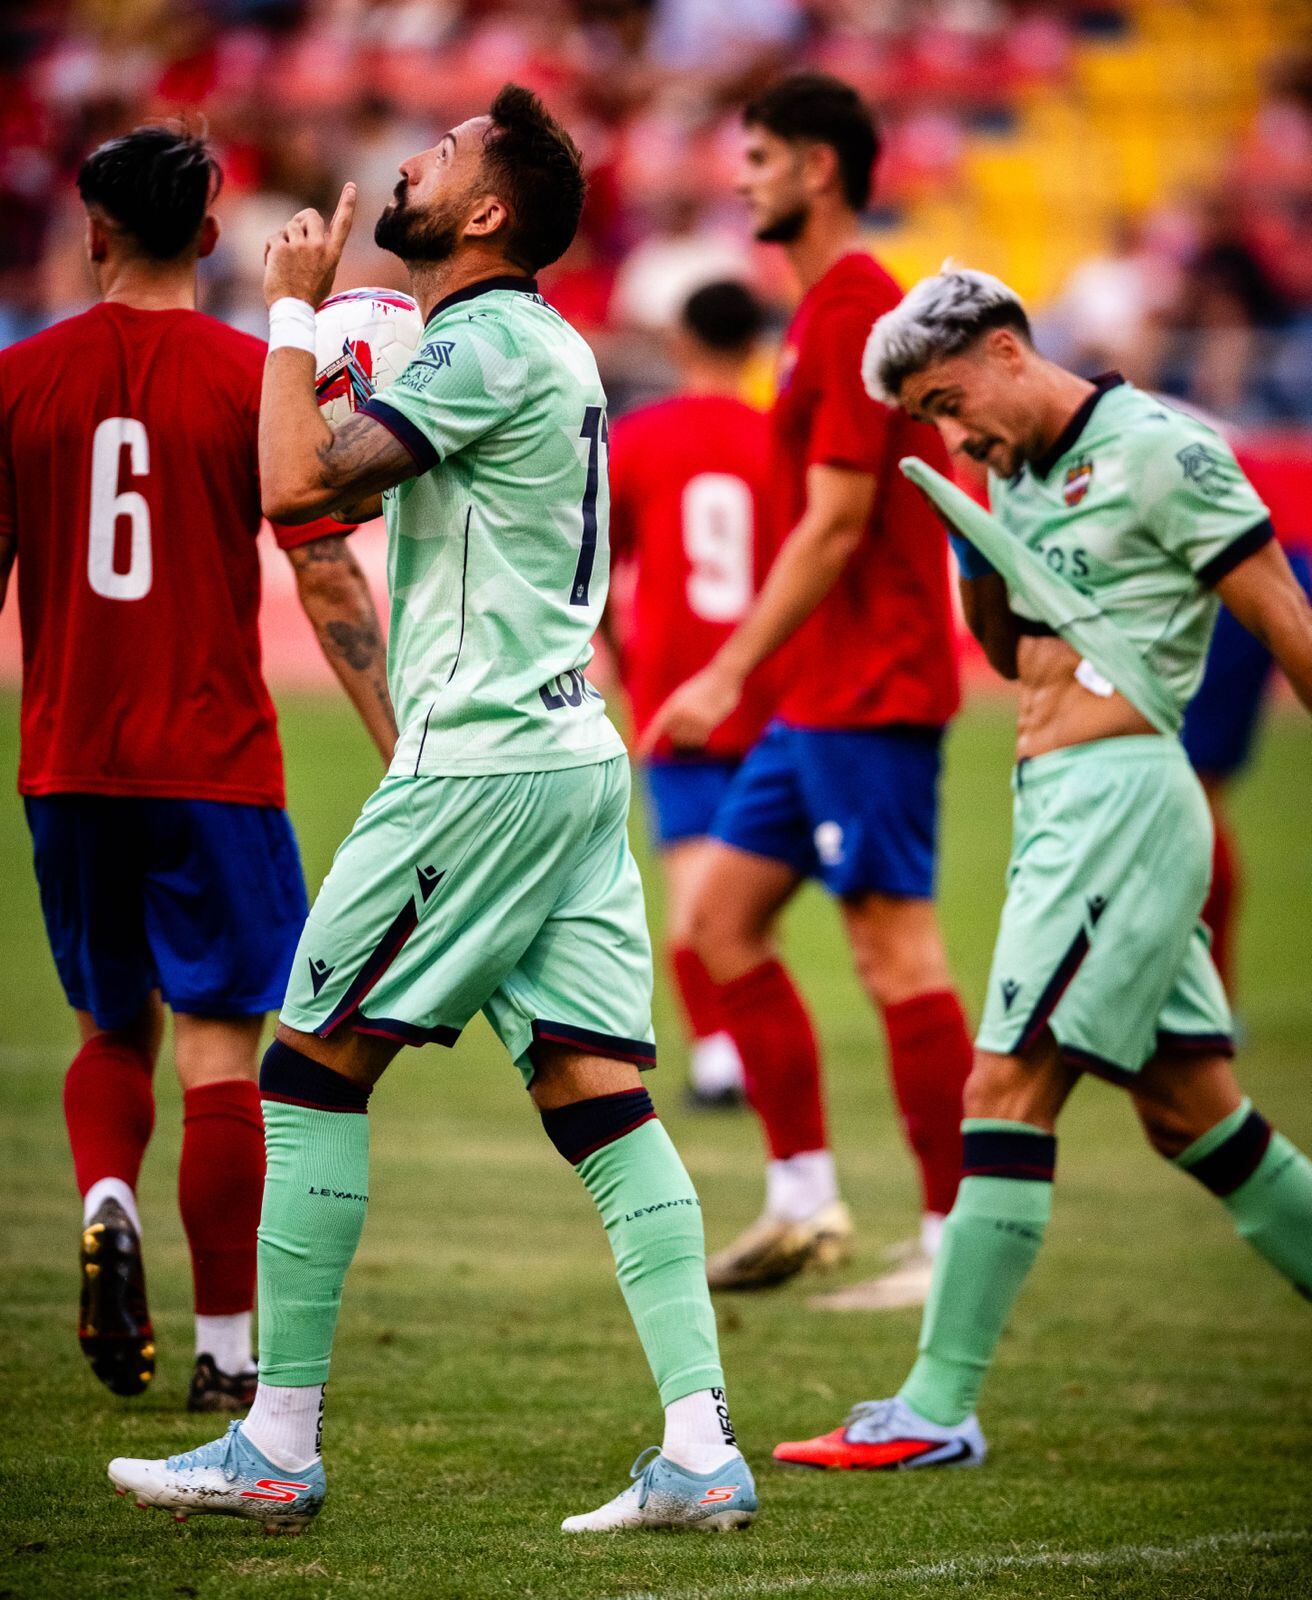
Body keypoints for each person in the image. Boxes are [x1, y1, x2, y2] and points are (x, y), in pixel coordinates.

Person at [106, 85, 756, 1536]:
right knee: (599, 1096)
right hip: (569, 754)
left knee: (307, 1070)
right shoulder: (533, 346)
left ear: (488, 213)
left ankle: (277, 1444)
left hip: (479, 764)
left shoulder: (485, 342)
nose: (411, 161)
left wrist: (292, 313)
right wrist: (349, 361)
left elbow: (295, 487)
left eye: (444, 155)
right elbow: (349, 485)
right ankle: (700, 1444)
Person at [774, 266, 1312, 1471]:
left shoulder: (1162, 451)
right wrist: (974, 532)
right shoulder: (1008, 472)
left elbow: (1282, 613)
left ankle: (934, 1407)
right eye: (927, 418)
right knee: (1191, 1114)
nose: (952, 432)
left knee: (1003, 1087)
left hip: (1120, 805)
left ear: (1008, 349)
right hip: (1061, 800)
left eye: (949, 401)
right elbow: (1010, 656)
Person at [0, 126, 395, 1413]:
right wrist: (398, 744)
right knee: (221, 1048)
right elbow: (325, 573)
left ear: (92, 231)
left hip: (70, 761)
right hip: (214, 763)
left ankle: (106, 1193)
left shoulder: (19, 380)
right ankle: (225, 1350)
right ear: (212, 238)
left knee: (110, 1026)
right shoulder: (248, 379)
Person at [643, 74, 972, 1306]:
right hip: (816, 691)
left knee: (896, 953)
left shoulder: (852, 312)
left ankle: (949, 1241)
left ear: (819, 167)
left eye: (760, 158)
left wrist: (724, 669)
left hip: (867, 685)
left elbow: (837, 524)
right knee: (719, 924)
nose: (741, 181)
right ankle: (801, 1199)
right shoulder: (820, 313)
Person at [607, 280, 776, 1109]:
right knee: (750, 893)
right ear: (755, 347)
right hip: (768, 691)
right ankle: (742, 1047)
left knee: (693, 888)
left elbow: (592, 567)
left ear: (680, 343)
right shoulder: (779, 440)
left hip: (675, 690)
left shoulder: (640, 438)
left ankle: (718, 1056)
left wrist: (619, 654)